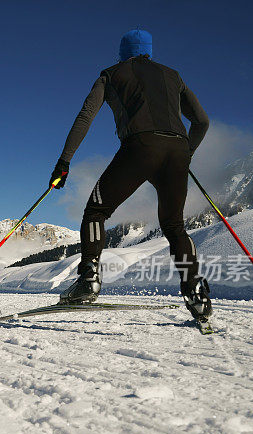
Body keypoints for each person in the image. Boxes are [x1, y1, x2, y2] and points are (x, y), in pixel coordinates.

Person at [49, 29, 212, 321]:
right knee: (174, 226)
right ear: (149, 50)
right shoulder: (173, 75)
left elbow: (86, 115)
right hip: (176, 151)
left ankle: (88, 279)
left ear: (124, 52)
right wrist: (187, 152)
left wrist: (64, 161)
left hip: (140, 147)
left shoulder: (111, 74)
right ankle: (195, 293)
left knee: (96, 210)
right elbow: (201, 121)